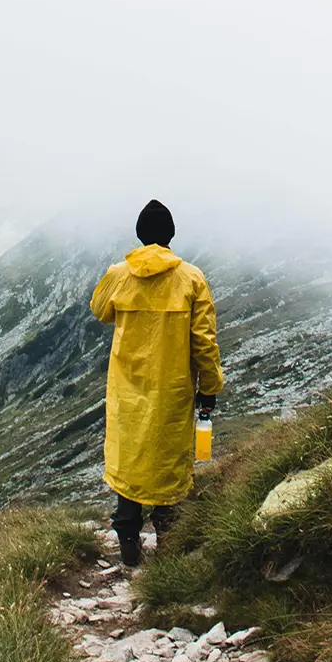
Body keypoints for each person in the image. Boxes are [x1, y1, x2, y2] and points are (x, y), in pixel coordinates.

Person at [90, 199, 224, 566]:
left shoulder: (120, 274)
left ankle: (129, 545)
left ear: (139, 235)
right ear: (170, 236)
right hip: (173, 389)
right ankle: (168, 543)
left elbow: (100, 310)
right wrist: (209, 387)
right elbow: (204, 341)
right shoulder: (192, 279)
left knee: (130, 462)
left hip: (127, 389)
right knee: (168, 462)